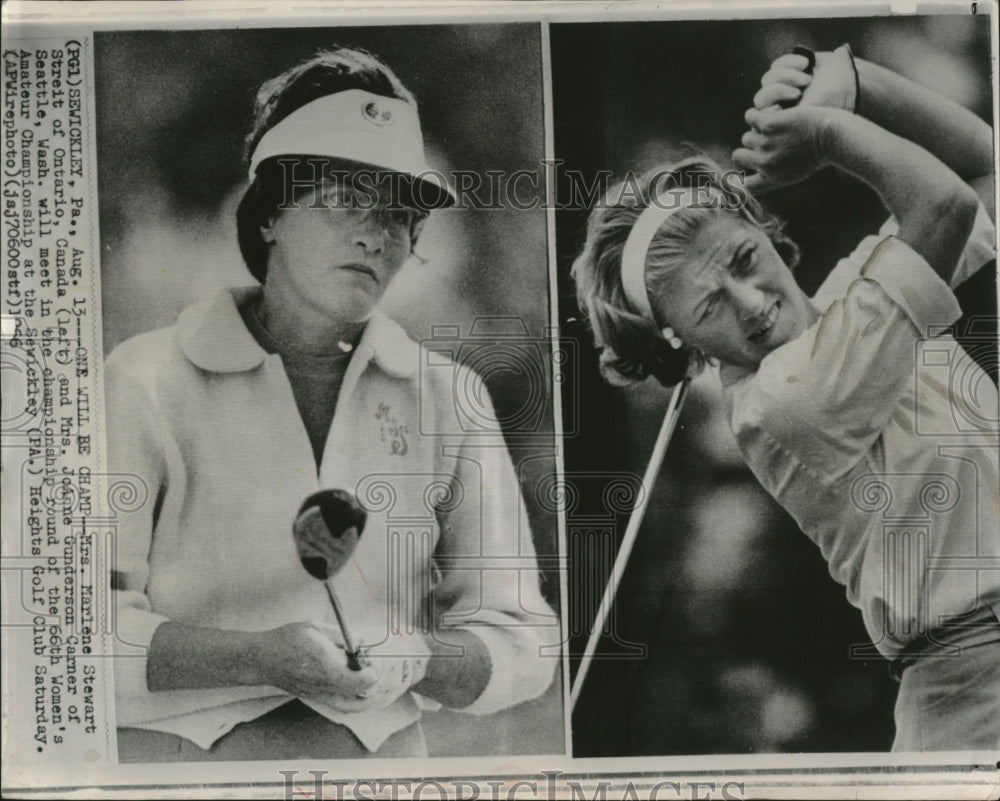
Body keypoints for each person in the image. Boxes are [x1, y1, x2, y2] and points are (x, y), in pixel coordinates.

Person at [107, 46, 558, 762]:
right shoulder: (142, 380)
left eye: (401, 215)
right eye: (346, 200)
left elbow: (523, 638)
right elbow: (61, 635)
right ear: (269, 216)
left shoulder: (450, 396)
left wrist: (412, 657)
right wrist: (257, 657)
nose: (375, 236)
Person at [571, 45, 999, 751]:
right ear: (681, 345)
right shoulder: (780, 402)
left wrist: (859, 82)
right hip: (974, 689)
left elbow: (981, 168)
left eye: (744, 260)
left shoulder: (861, 287)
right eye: (710, 308)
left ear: (766, 232)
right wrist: (829, 130)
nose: (752, 302)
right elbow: (943, 202)